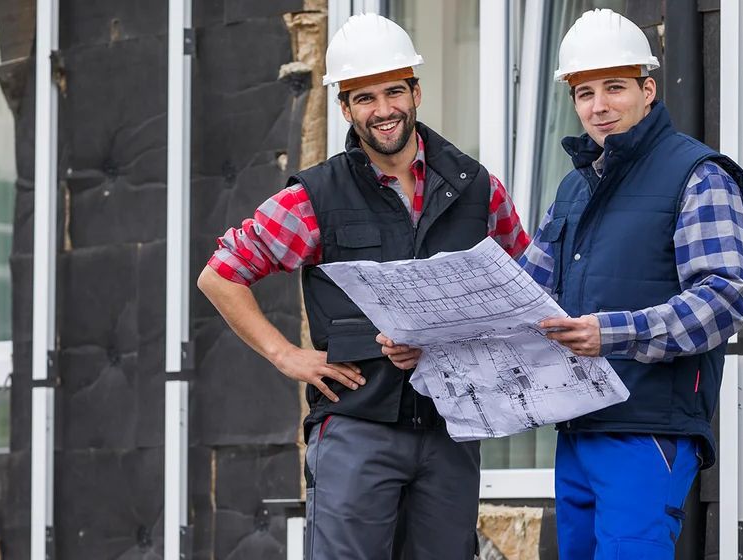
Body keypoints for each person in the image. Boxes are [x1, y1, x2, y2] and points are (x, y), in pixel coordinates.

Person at [196, 14, 530, 558]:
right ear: (345, 108)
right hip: (357, 427)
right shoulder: (314, 198)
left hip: (450, 431)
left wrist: (449, 338)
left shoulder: (477, 188)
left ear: (415, 91)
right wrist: (287, 356)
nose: (383, 110)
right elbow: (221, 274)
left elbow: (523, 289)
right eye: (364, 97)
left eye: (394, 91)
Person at [526, 9, 743, 559]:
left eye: (614, 88)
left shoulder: (697, 174)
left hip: (648, 429)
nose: (599, 106)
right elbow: (522, 295)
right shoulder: (573, 190)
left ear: (647, 90)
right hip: (578, 428)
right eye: (584, 92)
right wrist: (433, 335)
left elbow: (726, 297)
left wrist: (614, 335)